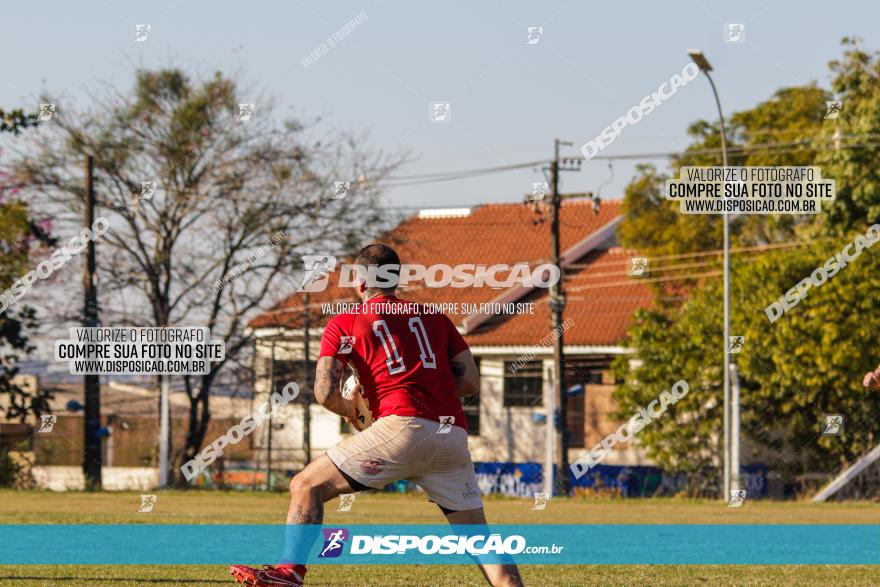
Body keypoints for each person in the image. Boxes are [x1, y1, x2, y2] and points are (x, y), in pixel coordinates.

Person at [231, 244, 523, 587]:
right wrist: (428, 391)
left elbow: (325, 392)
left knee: (305, 485)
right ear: (396, 280)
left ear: (358, 281)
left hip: (400, 428)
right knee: (478, 536)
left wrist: (351, 412)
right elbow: (470, 381)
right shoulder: (436, 318)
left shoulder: (345, 323)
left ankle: (289, 573)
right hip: (452, 436)